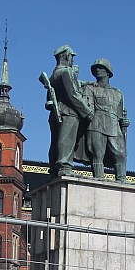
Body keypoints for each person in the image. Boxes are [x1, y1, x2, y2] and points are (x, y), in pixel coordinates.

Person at [46, 45, 92, 177]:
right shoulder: (66, 72)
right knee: (66, 139)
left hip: (56, 113)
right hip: (68, 111)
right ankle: (64, 166)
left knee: (55, 141)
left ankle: (54, 169)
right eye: (71, 57)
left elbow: (49, 100)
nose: (72, 60)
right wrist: (87, 112)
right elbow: (73, 95)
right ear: (66, 56)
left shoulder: (53, 75)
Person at [80, 58, 128, 181]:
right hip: (96, 123)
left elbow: (120, 114)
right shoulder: (90, 88)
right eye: (95, 68)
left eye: (101, 68)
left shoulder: (118, 93)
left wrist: (124, 122)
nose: (97, 70)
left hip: (114, 125)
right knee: (97, 154)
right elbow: (87, 107)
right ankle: (99, 178)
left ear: (108, 72)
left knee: (120, 154)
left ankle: (121, 179)